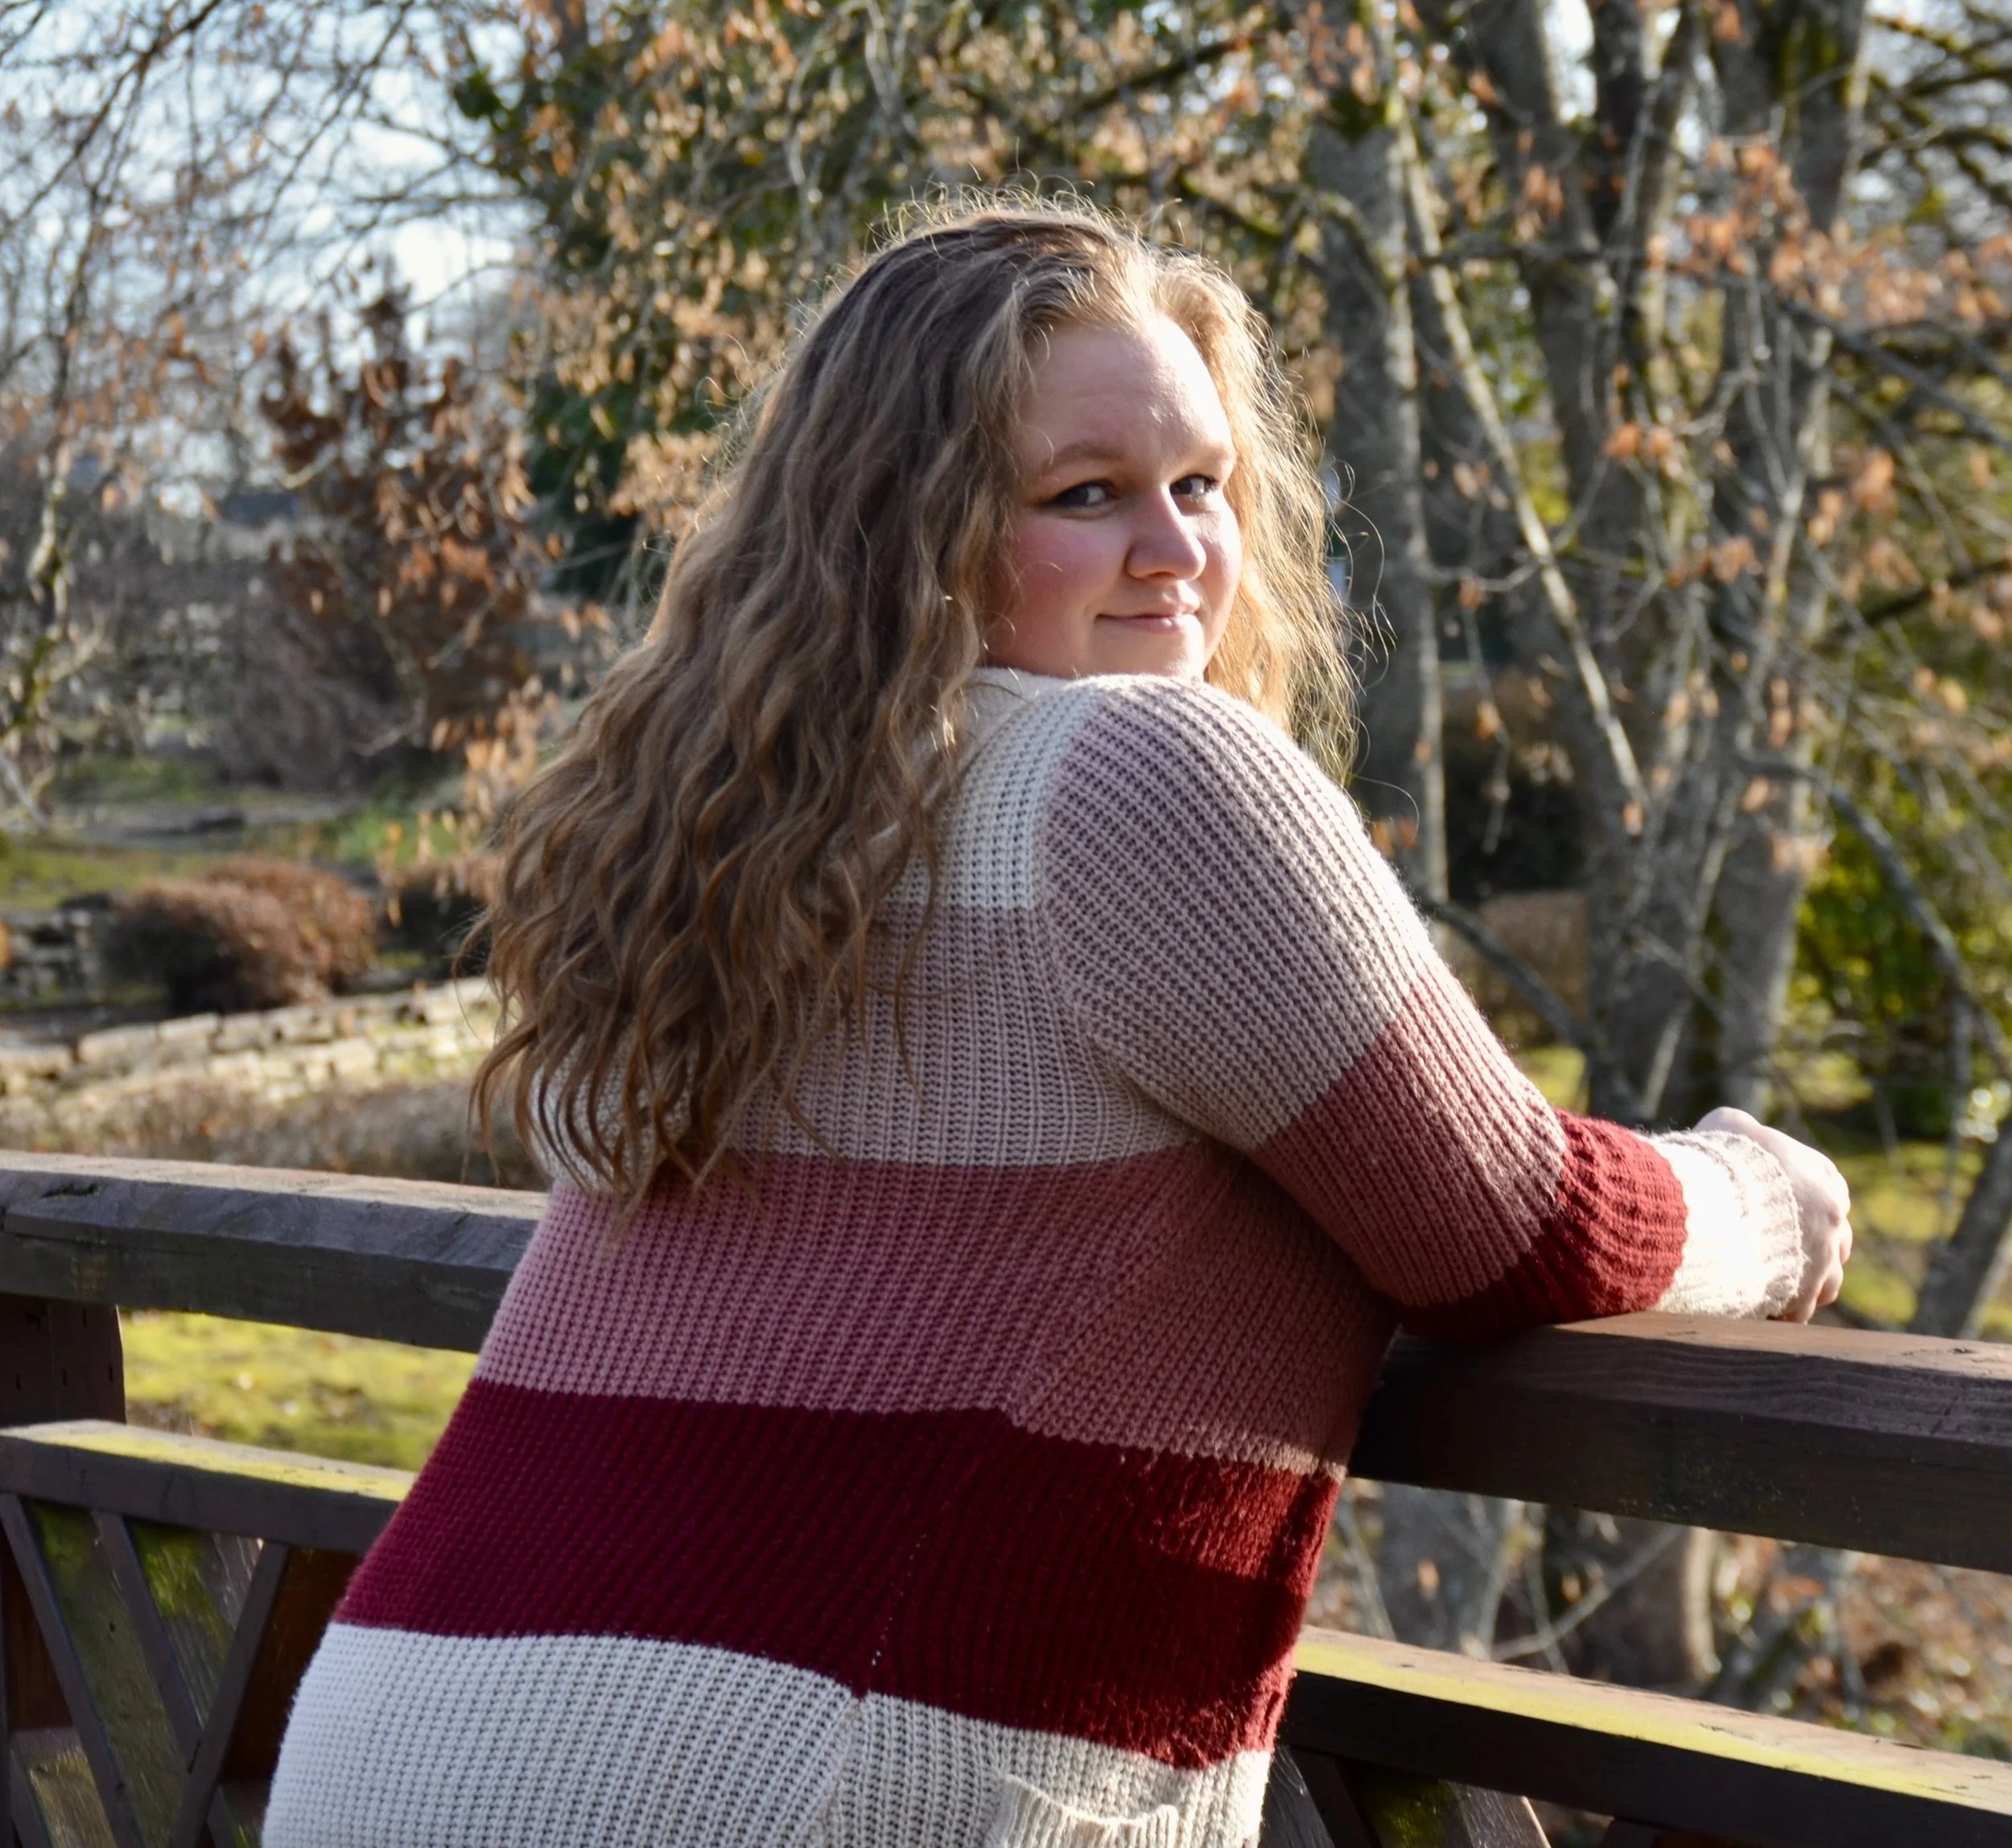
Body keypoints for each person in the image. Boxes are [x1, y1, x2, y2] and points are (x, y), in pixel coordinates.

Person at [264, 201, 1850, 1848]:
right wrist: (1759, 1199)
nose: (1173, 547)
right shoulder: (1137, 778)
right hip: (789, 1781)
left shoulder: (736, 828)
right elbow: (1503, 1226)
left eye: (1200, 484)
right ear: (912, 528)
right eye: (1081, 495)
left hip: (399, 1733)